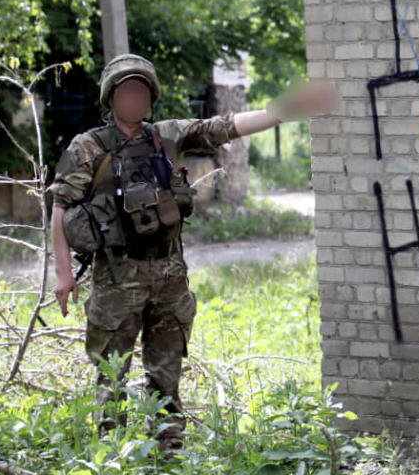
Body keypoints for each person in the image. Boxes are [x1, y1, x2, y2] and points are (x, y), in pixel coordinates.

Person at [48, 53, 336, 451]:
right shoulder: (86, 147)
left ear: (150, 98)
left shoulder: (167, 134)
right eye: (126, 90)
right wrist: (63, 274)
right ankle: (110, 465)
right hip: (115, 283)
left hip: (169, 280)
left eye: (141, 91)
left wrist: (282, 111)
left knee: (166, 378)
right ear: (110, 97)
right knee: (110, 381)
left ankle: (168, 458)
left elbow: (227, 127)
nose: (134, 98)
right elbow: (59, 208)